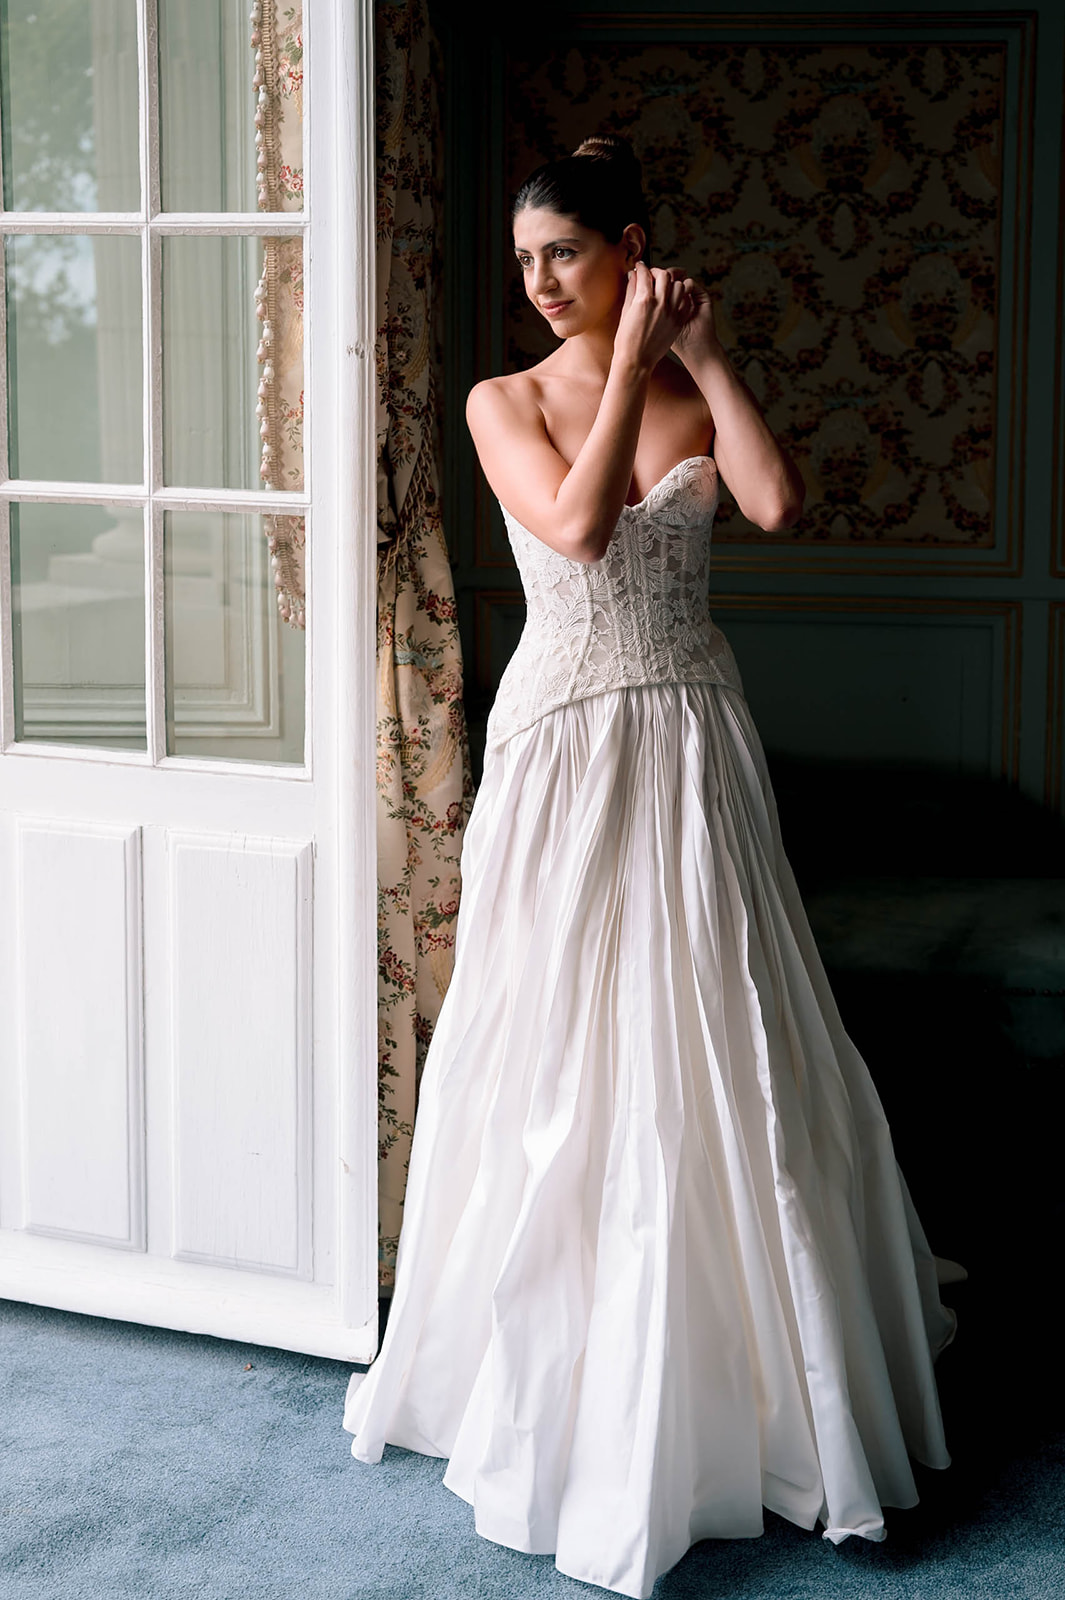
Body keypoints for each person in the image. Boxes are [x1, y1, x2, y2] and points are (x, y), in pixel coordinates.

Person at [344, 133, 957, 1600]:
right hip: (568, 740)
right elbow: (570, 524)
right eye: (523, 263)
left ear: (628, 244)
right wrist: (621, 366)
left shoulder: (683, 378)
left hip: (692, 734)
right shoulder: (503, 401)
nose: (542, 283)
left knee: (723, 1031)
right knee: (561, 1045)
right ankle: (556, 1370)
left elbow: (772, 505)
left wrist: (707, 354)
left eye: (564, 253)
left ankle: (749, 1367)